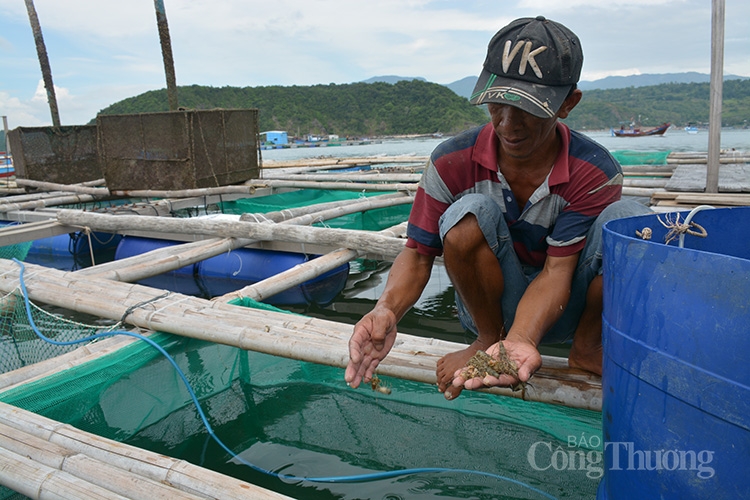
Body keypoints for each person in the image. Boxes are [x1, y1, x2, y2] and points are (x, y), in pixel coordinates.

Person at [344, 16, 650, 399]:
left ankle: (588, 346)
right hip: (492, 307)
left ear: (568, 103)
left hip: (561, 306)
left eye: (528, 109)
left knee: (632, 222)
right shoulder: (450, 161)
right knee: (468, 214)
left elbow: (559, 270)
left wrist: (521, 339)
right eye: (497, 103)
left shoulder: (595, 171)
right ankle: (486, 340)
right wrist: (386, 310)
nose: (508, 124)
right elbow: (418, 254)